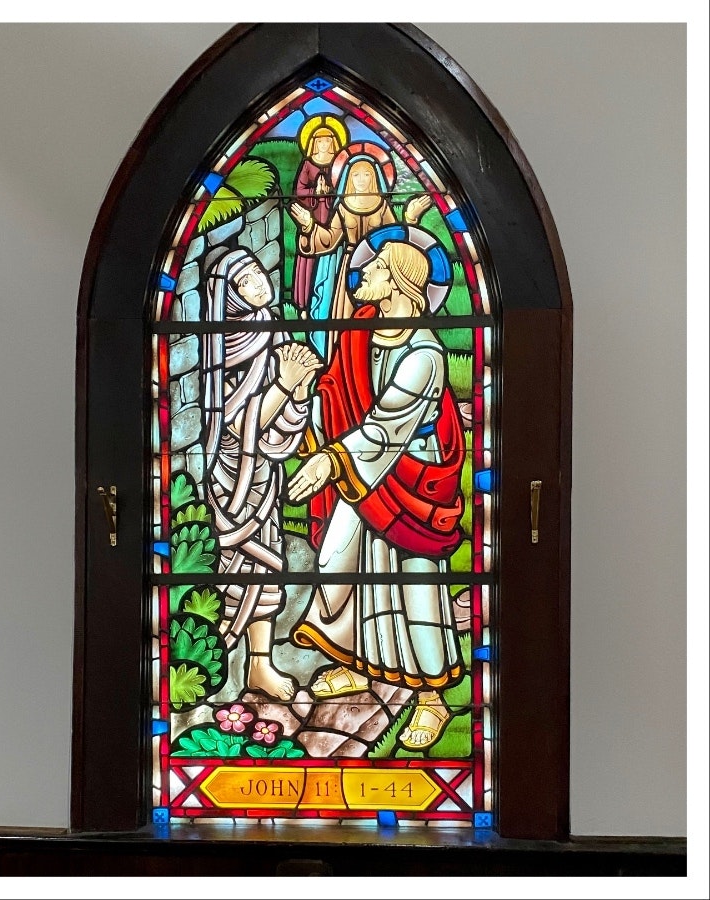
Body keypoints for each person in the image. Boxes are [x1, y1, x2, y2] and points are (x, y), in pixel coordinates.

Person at [285, 238, 466, 750]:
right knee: (340, 562)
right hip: (361, 470)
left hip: (411, 481)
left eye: (375, 270)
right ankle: (358, 665)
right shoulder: (359, 330)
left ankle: (433, 697)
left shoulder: (425, 354)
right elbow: (338, 390)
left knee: (412, 586)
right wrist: (306, 400)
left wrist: (332, 459)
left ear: (400, 282)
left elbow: (388, 427)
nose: (361, 276)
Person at [198, 249, 320, 701]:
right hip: (228, 476)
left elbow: (278, 423)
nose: (259, 283)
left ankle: (261, 666)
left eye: (257, 273)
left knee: (268, 564)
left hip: (264, 472)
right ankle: (219, 661)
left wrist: (298, 392)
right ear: (228, 296)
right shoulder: (217, 343)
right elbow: (228, 420)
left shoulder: (272, 329)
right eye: (246, 280)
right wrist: (284, 385)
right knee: (234, 566)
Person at [287, 148, 432, 358]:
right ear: (348, 178)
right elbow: (328, 240)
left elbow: (396, 239)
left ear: (375, 177)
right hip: (351, 269)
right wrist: (309, 225)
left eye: (366, 174)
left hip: (380, 269)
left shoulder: (382, 205)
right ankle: (343, 364)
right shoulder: (344, 207)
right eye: (356, 175)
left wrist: (410, 219)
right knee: (346, 322)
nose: (361, 180)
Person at [289, 116, 346, 316]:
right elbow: (298, 191)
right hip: (311, 217)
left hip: (334, 217)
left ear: (334, 142)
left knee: (333, 256)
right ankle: (303, 305)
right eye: (320, 140)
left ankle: (331, 302)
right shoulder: (307, 164)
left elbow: (345, 188)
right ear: (314, 143)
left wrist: (329, 193)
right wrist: (316, 194)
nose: (324, 144)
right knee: (308, 256)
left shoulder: (340, 163)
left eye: (328, 140)